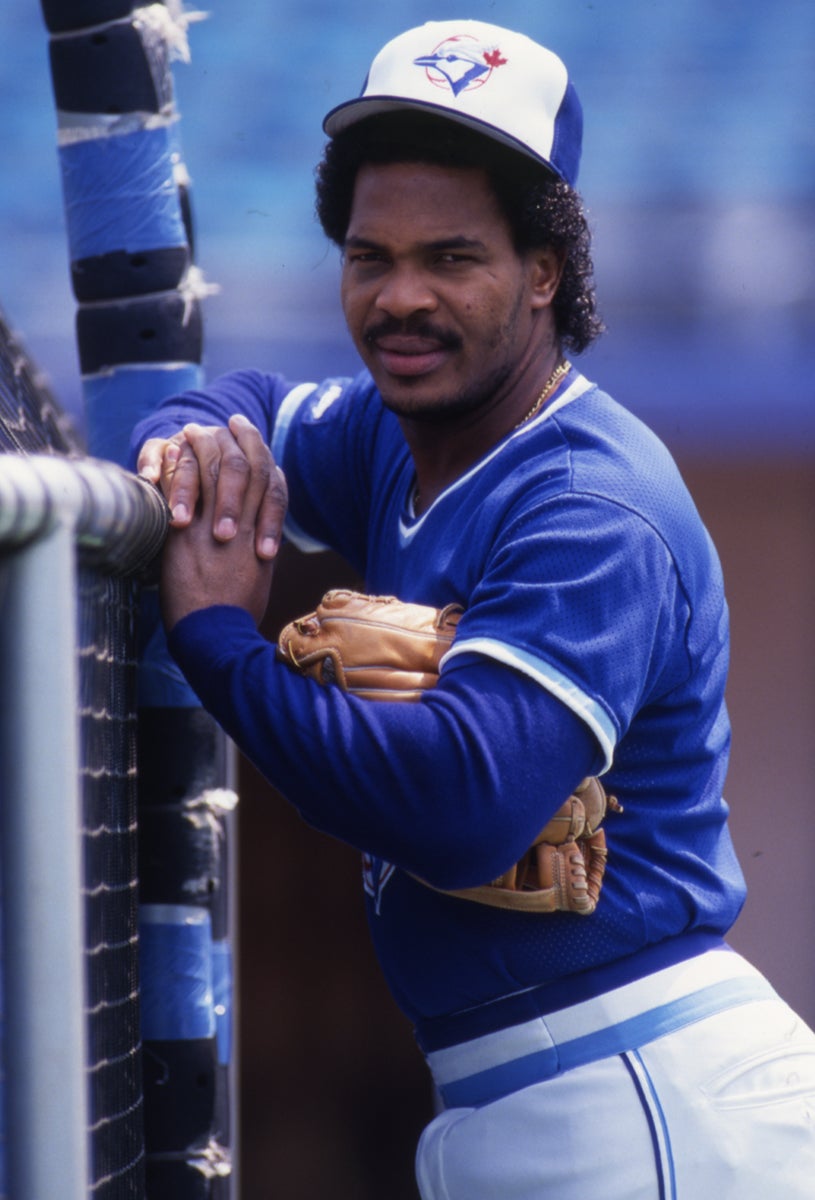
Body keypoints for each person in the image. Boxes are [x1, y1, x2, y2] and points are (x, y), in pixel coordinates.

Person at [132, 20, 815, 1199]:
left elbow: (458, 809)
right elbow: (230, 400)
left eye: (452, 258)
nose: (401, 299)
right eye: (368, 257)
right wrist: (185, 460)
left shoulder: (589, 502)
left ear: (543, 270)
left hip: (640, 1090)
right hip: (537, 1093)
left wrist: (221, 644)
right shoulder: (394, 438)